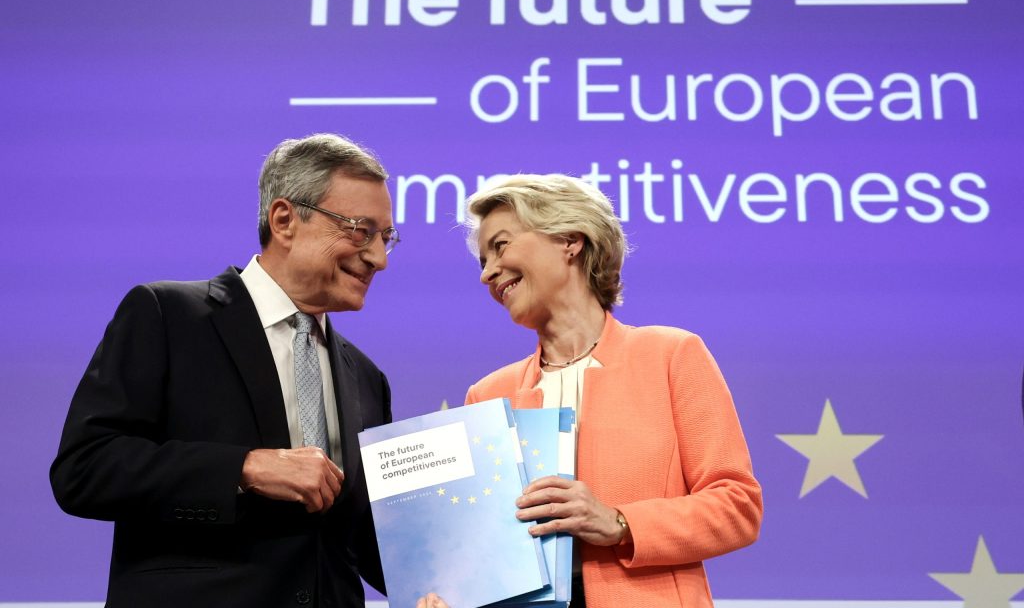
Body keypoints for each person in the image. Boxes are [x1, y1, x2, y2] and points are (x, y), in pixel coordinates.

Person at [50, 133, 398, 608]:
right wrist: (244, 467)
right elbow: (84, 470)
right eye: (360, 230)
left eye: (385, 237)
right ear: (284, 220)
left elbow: (365, 540)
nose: (378, 257)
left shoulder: (366, 376)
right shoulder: (167, 316)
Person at [460, 174, 762, 608]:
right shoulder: (487, 395)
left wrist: (620, 522)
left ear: (569, 239)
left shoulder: (672, 355)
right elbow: (479, 547)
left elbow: (738, 506)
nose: (488, 272)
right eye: (482, 260)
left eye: (501, 246)